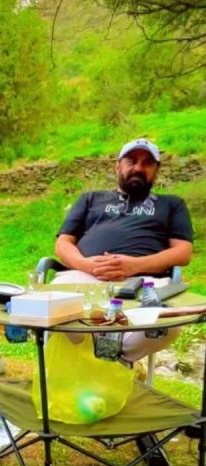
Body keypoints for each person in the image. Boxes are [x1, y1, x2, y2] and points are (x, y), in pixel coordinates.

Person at [53, 138, 194, 361]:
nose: (138, 168)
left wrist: (134, 266)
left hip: (146, 282)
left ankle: (111, 356)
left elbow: (183, 252)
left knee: (168, 323)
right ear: (117, 166)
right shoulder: (90, 199)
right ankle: (104, 354)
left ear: (156, 171)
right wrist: (87, 265)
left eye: (147, 163)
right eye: (131, 161)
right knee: (52, 307)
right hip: (83, 276)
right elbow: (63, 243)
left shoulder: (171, 204)